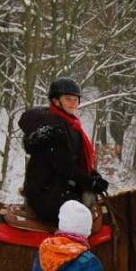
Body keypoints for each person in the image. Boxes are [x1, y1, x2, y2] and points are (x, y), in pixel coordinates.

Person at [18, 77, 109, 225]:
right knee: (78, 220)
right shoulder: (53, 128)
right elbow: (63, 166)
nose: (73, 103)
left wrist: (93, 176)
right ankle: (64, 248)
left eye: (76, 100)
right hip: (47, 192)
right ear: (55, 101)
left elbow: (75, 160)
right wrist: (89, 182)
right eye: (68, 99)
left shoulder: (71, 125)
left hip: (63, 187)